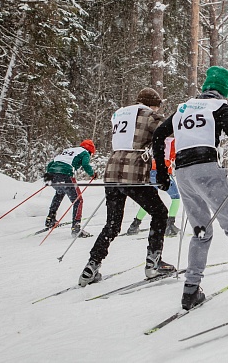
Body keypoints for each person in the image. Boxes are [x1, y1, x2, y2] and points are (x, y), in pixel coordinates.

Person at [152, 66, 228, 310]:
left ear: (205, 87)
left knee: (201, 230)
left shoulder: (184, 107)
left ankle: (190, 290)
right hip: (206, 167)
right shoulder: (219, 107)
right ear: (223, 90)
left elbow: (158, 136)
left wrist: (164, 174)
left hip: (183, 173)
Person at [78, 88, 176, 287]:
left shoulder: (121, 113)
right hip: (133, 172)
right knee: (159, 213)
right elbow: (166, 131)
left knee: (112, 224)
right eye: (157, 105)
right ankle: (153, 263)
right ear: (152, 104)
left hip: (112, 170)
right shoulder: (149, 115)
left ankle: (92, 265)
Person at [126, 136, 180, 237]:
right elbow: (175, 156)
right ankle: (170, 225)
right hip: (162, 171)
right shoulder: (173, 141)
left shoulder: (156, 139)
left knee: (150, 200)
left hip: (150, 171)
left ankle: (135, 225)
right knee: (176, 198)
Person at [44, 139, 96, 238]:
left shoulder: (69, 150)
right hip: (66, 174)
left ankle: (50, 219)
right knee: (78, 200)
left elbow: (51, 163)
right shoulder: (85, 153)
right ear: (90, 150)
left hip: (51, 174)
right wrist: (92, 174)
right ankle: (76, 228)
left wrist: (49, 178)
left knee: (59, 193)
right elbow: (85, 164)